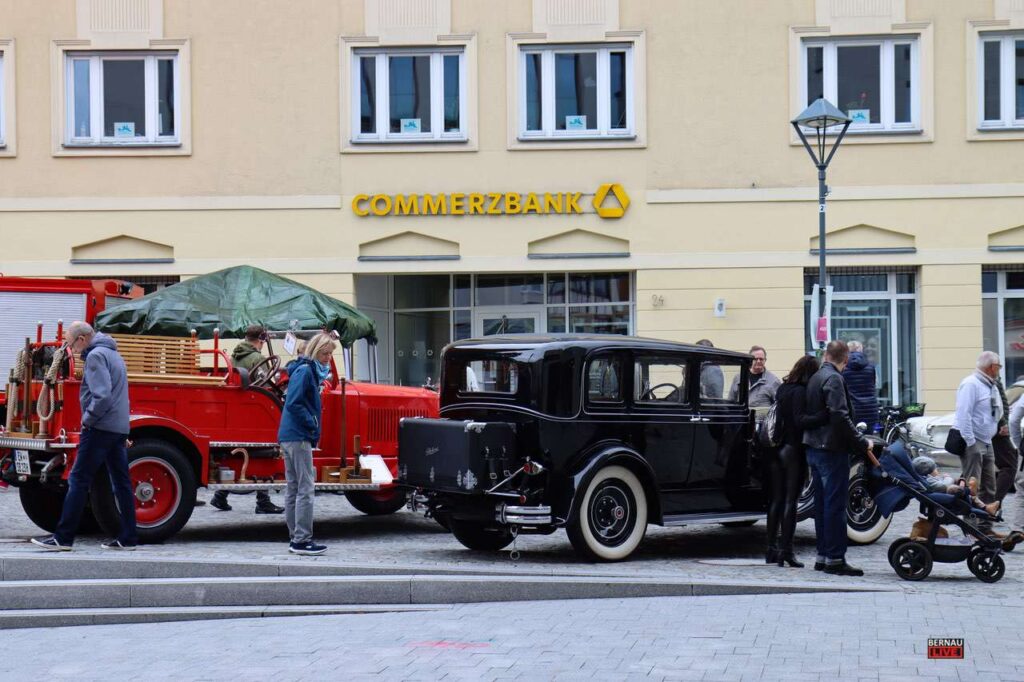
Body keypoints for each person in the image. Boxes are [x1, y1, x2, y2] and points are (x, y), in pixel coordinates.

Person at [31, 322, 137, 551]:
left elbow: (102, 396)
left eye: (70, 343)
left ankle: (64, 537)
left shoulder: (96, 356)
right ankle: (128, 538)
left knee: (78, 480)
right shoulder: (113, 353)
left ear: (81, 339)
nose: (72, 350)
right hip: (117, 427)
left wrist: (87, 420)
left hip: (99, 428)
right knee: (121, 483)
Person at [802, 339, 870, 576]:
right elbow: (839, 416)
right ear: (846, 359)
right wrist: (861, 441)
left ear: (826, 355)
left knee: (822, 506)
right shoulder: (834, 379)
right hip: (831, 449)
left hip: (814, 448)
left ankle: (823, 556)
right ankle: (835, 558)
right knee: (834, 506)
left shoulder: (816, 377)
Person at [210, 324, 284, 514]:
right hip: (255, 411)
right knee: (265, 454)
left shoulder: (233, 356)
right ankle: (263, 500)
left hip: (236, 411)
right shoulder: (257, 358)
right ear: (260, 339)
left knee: (238, 454)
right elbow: (266, 386)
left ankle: (220, 496)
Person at [766, 354, 827, 568]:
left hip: (777, 449)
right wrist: (823, 416)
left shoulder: (783, 388)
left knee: (776, 500)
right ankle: (787, 551)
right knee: (791, 502)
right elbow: (801, 420)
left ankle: (771, 549)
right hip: (794, 450)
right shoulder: (801, 392)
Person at [278, 332, 336, 555]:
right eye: (325, 353)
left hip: (290, 434)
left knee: (294, 487)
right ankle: (302, 539)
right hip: (299, 435)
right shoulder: (306, 372)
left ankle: (295, 537)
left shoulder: (302, 369)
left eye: (330, 354)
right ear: (315, 351)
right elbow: (294, 404)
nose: (328, 358)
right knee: (305, 487)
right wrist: (312, 422)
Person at [954, 351, 1002, 535]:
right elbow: (963, 413)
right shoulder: (971, 384)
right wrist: (971, 443)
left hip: (986, 441)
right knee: (972, 488)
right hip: (974, 442)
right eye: (998, 366)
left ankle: (985, 529)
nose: (999, 370)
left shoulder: (990, 385)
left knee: (989, 486)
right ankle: (971, 529)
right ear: (991, 367)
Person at [911, 455, 1000, 516]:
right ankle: (970, 490)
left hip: (941, 494)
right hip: (945, 494)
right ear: (927, 471)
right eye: (935, 469)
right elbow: (943, 486)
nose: (937, 470)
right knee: (952, 488)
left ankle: (987, 508)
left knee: (971, 497)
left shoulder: (928, 479)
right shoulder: (929, 480)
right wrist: (948, 478)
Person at [841, 340, 879, 433]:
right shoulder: (871, 367)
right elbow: (873, 385)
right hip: (870, 409)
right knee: (869, 439)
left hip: (852, 409)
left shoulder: (843, 368)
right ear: (861, 350)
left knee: (852, 438)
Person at [991, 375, 1018, 504]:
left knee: (979, 465)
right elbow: (998, 404)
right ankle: (994, 503)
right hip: (997, 430)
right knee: (1009, 465)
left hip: (992, 428)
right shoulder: (991, 380)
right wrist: (1003, 424)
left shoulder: (985, 380)